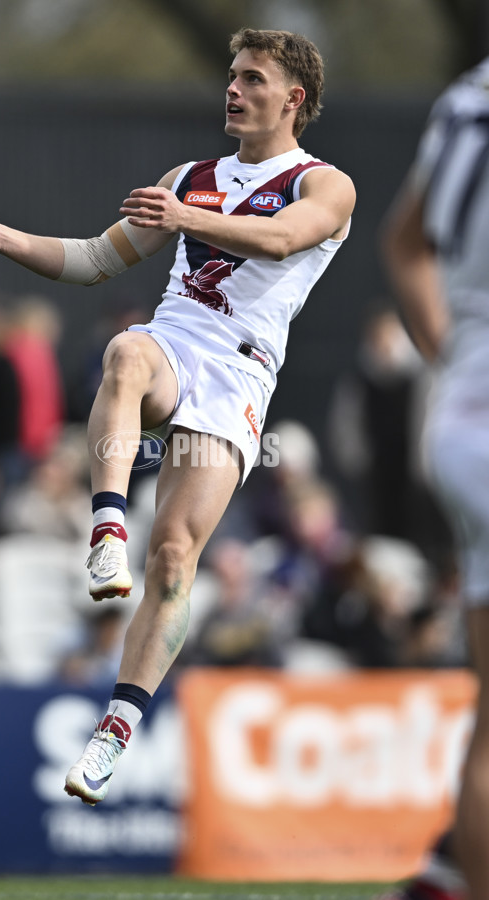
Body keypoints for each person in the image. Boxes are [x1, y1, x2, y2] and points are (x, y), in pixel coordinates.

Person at [0, 27, 355, 807]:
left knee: (175, 558)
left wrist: (184, 219)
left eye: (251, 79)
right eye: (232, 77)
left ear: (293, 99)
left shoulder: (322, 184)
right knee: (127, 352)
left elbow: (279, 241)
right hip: (175, 346)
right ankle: (107, 528)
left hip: (240, 372)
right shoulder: (191, 179)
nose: (232, 90)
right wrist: (10, 241)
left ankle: (115, 730)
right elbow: (95, 260)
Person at [378, 53, 489, 900]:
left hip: (463, 421)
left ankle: (455, 870)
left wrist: (454, 364)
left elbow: (403, 239)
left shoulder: (466, 97)